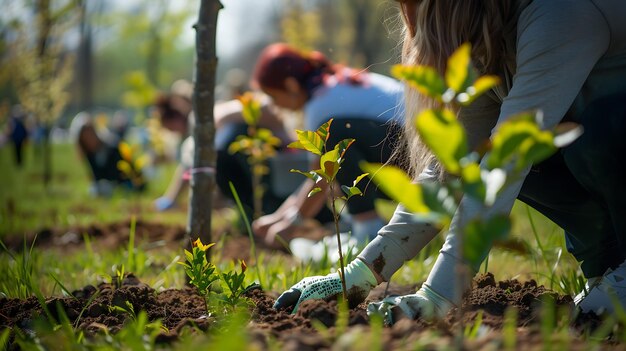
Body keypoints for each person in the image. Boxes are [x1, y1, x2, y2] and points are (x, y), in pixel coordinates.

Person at [273, 0, 626, 320]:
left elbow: (505, 165)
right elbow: (452, 166)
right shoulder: (494, 36)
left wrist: (439, 295)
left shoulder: (559, 14)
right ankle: (609, 269)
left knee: (597, 130)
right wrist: (362, 273)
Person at [250, 43, 406, 247]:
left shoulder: (320, 106)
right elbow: (317, 177)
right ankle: (366, 226)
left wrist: (290, 226)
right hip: (417, 157)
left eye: (273, 96)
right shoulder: (330, 85)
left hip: (416, 163)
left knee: (334, 145)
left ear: (290, 85)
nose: (273, 105)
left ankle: (368, 228)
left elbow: (321, 180)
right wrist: (279, 218)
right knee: (335, 166)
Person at [152, 84, 335, 231]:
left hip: (272, 168)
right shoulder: (207, 126)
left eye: (169, 128)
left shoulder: (203, 123)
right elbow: (188, 169)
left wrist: (173, 199)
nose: (173, 133)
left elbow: (189, 168)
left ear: (173, 120)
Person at [69, 111, 137, 197]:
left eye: (90, 134)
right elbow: (96, 176)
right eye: (85, 138)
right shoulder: (90, 155)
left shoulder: (112, 146)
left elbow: (123, 172)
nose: (90, 140)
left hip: (125, 185)